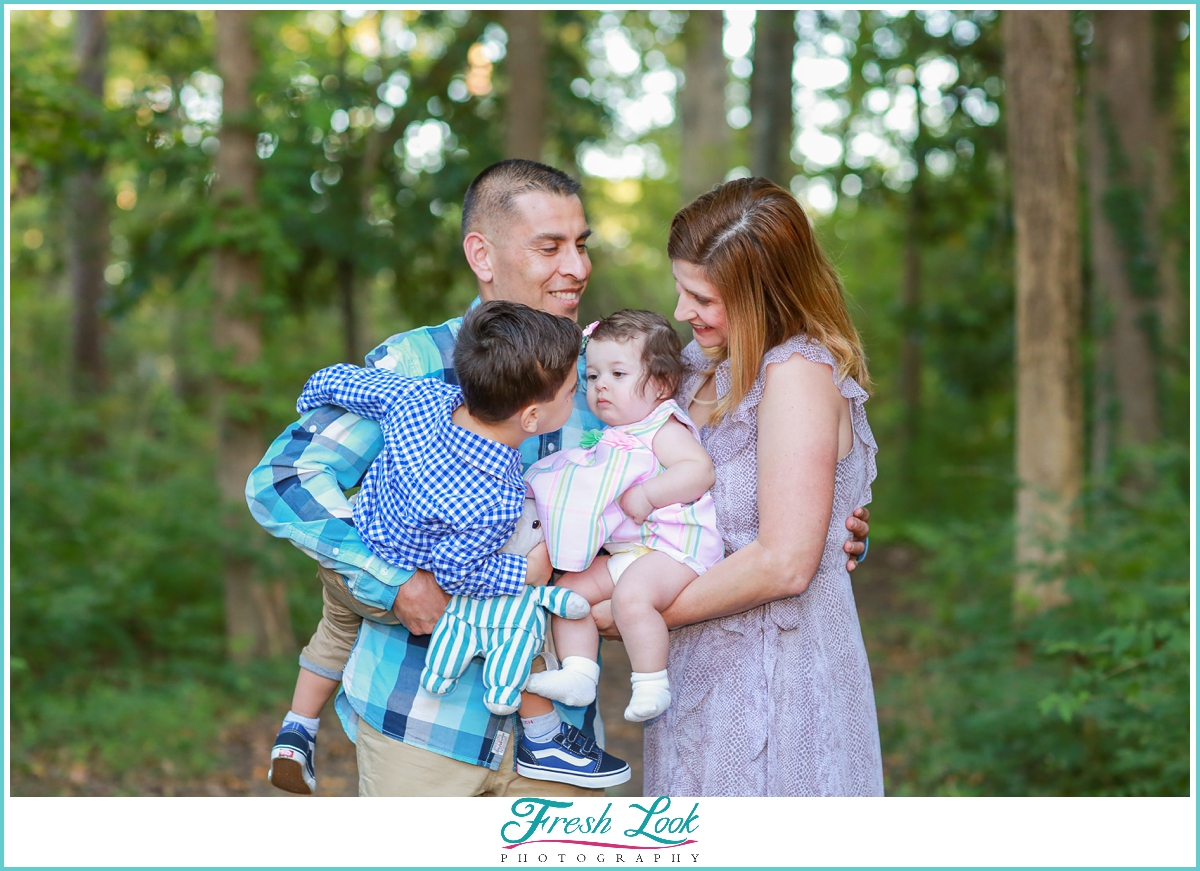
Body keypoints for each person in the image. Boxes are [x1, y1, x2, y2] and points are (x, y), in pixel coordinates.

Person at [245, 159, 871, 797]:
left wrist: (831, 522)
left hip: (564, 737)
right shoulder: (417, 365)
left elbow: (700, 493)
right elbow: (286, 478)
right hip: (426, 721)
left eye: (581, 244)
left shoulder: (602, 376)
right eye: (550, 247)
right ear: (482, 255)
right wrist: (394, 579)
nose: (577, 267)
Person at [265, 301, 628, 794]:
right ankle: (543, 736)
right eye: (572, 391)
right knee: (501, 622)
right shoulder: (496, 497)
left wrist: (313, 390)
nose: (578, 397)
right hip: (407, 592)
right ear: (533, 417)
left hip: (361, 558)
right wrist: (523, 575)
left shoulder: (421, 400)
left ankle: (298, 726)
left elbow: (345, 382)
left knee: (332, 636)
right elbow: (457, 572)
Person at [622, 177, 887, 796]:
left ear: (763, 295)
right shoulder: (692, 367)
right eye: (682, 290)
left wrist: (637, 613)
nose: (684, 312)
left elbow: (785, 564)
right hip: (694, 679)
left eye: (703, 299)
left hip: (777, 679)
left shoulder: (796, 371)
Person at [524, 310, 723, 724]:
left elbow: (699, 470)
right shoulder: (612, 437)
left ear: (663, 383)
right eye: (593, 377)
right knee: (569, 593)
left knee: (632, 596)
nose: (601, 387)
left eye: (618, 374)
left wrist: (650, 494)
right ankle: (579, 674)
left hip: (675, 550)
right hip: (634, 552)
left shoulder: (661, 427)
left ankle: (651, 682)